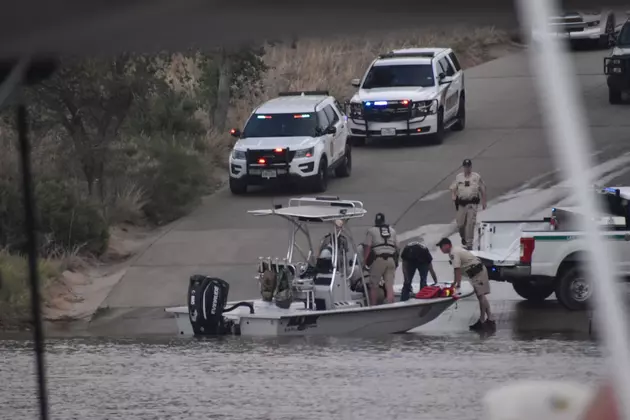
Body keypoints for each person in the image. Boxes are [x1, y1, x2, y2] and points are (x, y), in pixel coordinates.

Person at [436, 237, 495, 331]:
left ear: (447, 245)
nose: (441, 249)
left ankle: (483, 321)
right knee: (481, 296)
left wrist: (456, 283)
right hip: (476, 272)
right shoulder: (454, 251)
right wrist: (456, 283)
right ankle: (489, 319)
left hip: (477, 272)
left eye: (441, 247)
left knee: (481, 296)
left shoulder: (454, 253)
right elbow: (457, 269)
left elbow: (457, 269)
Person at [450, 158, 487, 250]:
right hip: (462, 204)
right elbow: (454, 187)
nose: (467, 168)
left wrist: (484, 201)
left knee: (470, 224)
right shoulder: (459, 177)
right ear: (463, 167)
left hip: (472, 204)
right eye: (465, 167)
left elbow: (482, 188)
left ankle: (469, 244)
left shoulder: (476, 177)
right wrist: (453, 195)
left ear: (471, 167)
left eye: (469, 166)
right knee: (460, 225)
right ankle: (464, 237)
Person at [364, 212, 399, 305]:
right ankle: (390, 305)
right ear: (384, 221)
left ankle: (373, 306)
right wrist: (396, 262)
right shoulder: (392, 231)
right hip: (391, 260)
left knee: (374, 285)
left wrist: (365, 262)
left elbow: (367, 247)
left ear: (376, 221)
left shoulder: (371, 231)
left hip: (378, 260)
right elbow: (397, 247)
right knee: (389, 286)